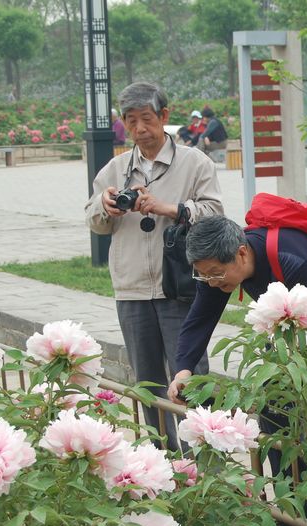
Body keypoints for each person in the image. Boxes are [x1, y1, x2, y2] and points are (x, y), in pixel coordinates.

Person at [167, 215, 307, 526]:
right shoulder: (221, 267)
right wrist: (184, 369)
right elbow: (201, 316)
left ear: (242, 254)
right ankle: (289, 515)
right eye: (202, 275)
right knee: (274, 409)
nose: (211, 282)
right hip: (285, 326)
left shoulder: (290, 258)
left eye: (215, 273)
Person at [84, 82, 223, 452]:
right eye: (131, 122)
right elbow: (94, 222)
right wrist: (105, 204)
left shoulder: (195, 163)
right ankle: (163, 461)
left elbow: (215, 213)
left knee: (189, 379)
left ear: (164, 117)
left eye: (147, 119)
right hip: (131, 290)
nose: (140, 129)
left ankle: (204, 461)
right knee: (147, 383)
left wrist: (170, 208)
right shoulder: (115, 169)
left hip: (179, 289)